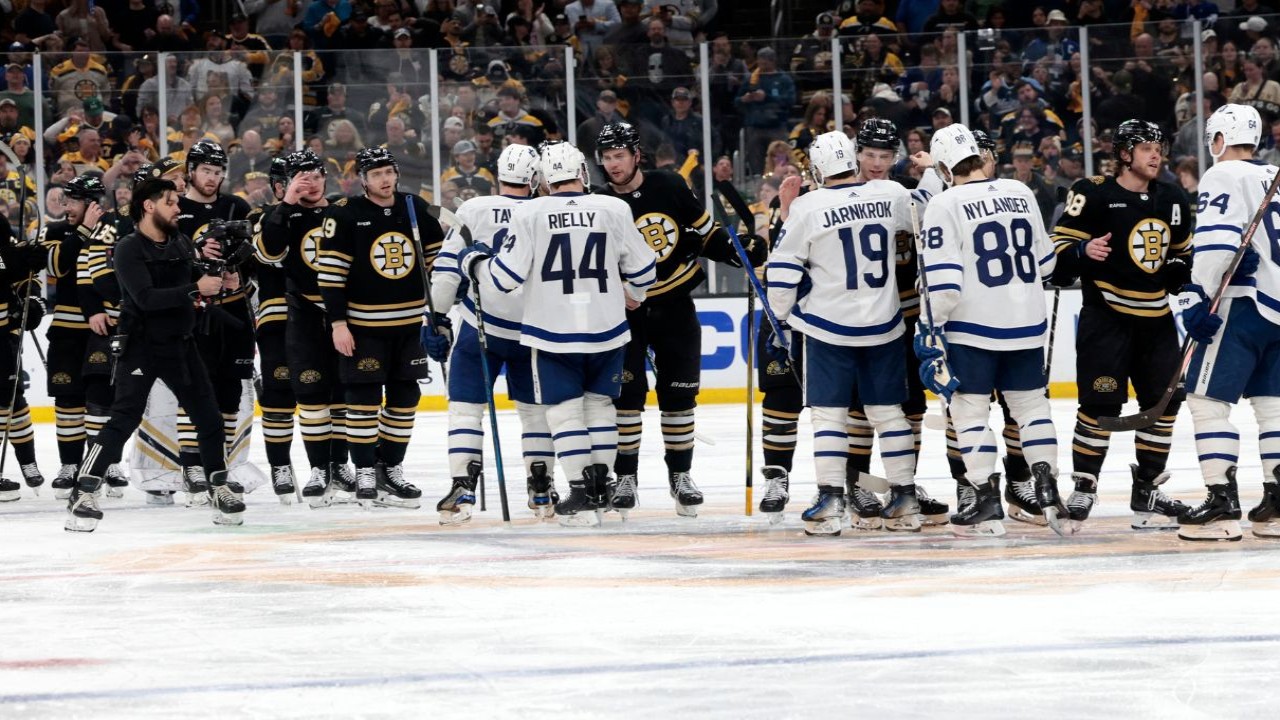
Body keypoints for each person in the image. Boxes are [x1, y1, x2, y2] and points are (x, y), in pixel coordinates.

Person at [458, 142, 656, 527]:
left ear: (545, 179)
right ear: (583, 173)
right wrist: (632, 294)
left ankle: (582, 491)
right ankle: (603, 487)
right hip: (607, 327)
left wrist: (475, 262)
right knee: (599, 407)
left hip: (551, 331)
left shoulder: (531, 212)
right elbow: (646, 271)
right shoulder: (613, 208)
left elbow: (504, 279)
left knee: (564, 413)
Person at [594, 122, 767, 517]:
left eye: (619, 155)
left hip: (674, 306)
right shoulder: (600, 202)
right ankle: (626, 476)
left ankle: (680, 475)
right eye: (606, 157)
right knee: (625, 399)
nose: (613, 164)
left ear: (636, 155)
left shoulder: (669, 186)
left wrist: (736, 250)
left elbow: (706, 233)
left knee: (679, 396)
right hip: (625, 315)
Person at [763, 130, 919, 536]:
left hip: (828, 327)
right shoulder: (890, 193)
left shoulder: (808, 206)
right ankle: (904, 498)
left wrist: (780, 319)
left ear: (817, 169)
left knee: (829, 415)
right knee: (888, 413)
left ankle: (831, 499)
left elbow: (782, 272)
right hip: (885, 322)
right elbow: (928, 216)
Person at [66, 176, 241, 532]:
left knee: (208, 417)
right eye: (171, 202)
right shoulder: (129, 248)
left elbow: (198, 285)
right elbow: (145, 298)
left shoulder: (179, 242)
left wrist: (223, 277)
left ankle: (218, 486)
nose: (178, 208)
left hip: (181, 344)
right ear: (149, 206)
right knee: (123, 419)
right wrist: (195, 287)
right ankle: (83, 489)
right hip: (142, 346)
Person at [915, 123, 1061, 537]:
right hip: (1027, 325)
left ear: (944, 167)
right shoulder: (1020, 192)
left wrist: (928, 327)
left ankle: (985, 497)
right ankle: (1046, 485)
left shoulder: (946, 203)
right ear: (981, 157)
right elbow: (1048, 265)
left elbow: (943, 285)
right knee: (1032, 408)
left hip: (973, 328)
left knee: (970, 413)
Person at [1050, 119, 1194, 533]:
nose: (1156, 155)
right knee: (1099, 407)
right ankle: (1084, 486)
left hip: (1157, 320)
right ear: (1124, 154)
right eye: (1146, 147)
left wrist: (1179, 270)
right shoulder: (1091, 193)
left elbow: (1183, 252)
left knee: (1162, 406)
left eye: (1159, 147)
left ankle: (1146, 490)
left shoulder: (1172, 196)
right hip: (1107, 319)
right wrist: (1080, 249)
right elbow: (1057, 253)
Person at [426, 144, 560, 523]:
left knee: (466, 408)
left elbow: (448, 272)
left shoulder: (473, 209)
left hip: (480, 326)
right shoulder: (545, 210)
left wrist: (436, 319)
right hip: (534, 329)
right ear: (535, 179)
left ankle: (462, 486)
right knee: (535, 413)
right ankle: (541, 487)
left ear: (497, 174)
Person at [1178, 104, 1280, 541]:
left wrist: (1196, 295)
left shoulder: (1223, 174)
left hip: (1240, 305)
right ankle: (1277, 503)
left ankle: (1221, 504)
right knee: (1273, 405)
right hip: (1277, 306)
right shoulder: (1274, 175)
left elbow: (1218, 243)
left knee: (1206, 402)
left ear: (1218, 139)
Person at [318, 146, 441, 508]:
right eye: (376, 174)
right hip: (364, 327)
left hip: (409, 326)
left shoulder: (414, 207)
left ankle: (390, 466)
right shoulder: (345, 213)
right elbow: (330, 276)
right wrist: (338, 323)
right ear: (363, 179)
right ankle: (365, 469)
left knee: (406, 399)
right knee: (364, 399)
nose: (384, 180)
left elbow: (437, 261)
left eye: (388, 172)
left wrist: (439, 309)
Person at [257, 151, 357, 507]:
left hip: (344, 314)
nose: (309, 183)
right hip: (302, 315)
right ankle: (317, 468)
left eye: (315, 175)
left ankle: (338, 463)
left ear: (326, 178)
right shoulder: (277, 215)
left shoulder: (345, 210)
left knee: (343, 393)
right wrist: (286, 204)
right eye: (300, 177)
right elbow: (268, 253)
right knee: (309, 393)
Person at [174, 141, 256, 505]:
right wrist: (195, 259)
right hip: (195, 312)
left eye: (218, 170)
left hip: (234, 311)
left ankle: (217, 467)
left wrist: (243, 279)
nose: (213, 177)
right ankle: (192, 465)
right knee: (194, 388)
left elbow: (256, 258)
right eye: (206, 170)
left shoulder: (237, 206)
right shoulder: (177, 208)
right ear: (191, 170)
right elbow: (166, 257)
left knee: (229, 393)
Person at [41, 175, 114, 498]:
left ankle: (104, 461)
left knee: (101, 400)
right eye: (66, 201)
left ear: (92, 203)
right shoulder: (56, 231)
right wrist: (84, 230)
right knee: (68, 399)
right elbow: (56, 266)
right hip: (67, 329)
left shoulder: (113, 229)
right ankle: (69, 464)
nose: (66, 207)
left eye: (72, 201)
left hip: (104, 328)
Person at [247, 156, 300, 504]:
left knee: (328, 394)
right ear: (278, 186)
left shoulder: (326, 215)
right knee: (279, 394)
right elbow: (258, 261)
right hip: (277, 316)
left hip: (321, 316)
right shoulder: (258, 218)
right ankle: (280, 465)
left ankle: (331, 466)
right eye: (289, 181)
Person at [0, 205, 46, 499]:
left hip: (2, 331)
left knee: (12, 396)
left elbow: (18, 273)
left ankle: (28, 462)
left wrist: (29, 294)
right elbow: (7, 261)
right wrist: (13, 259)